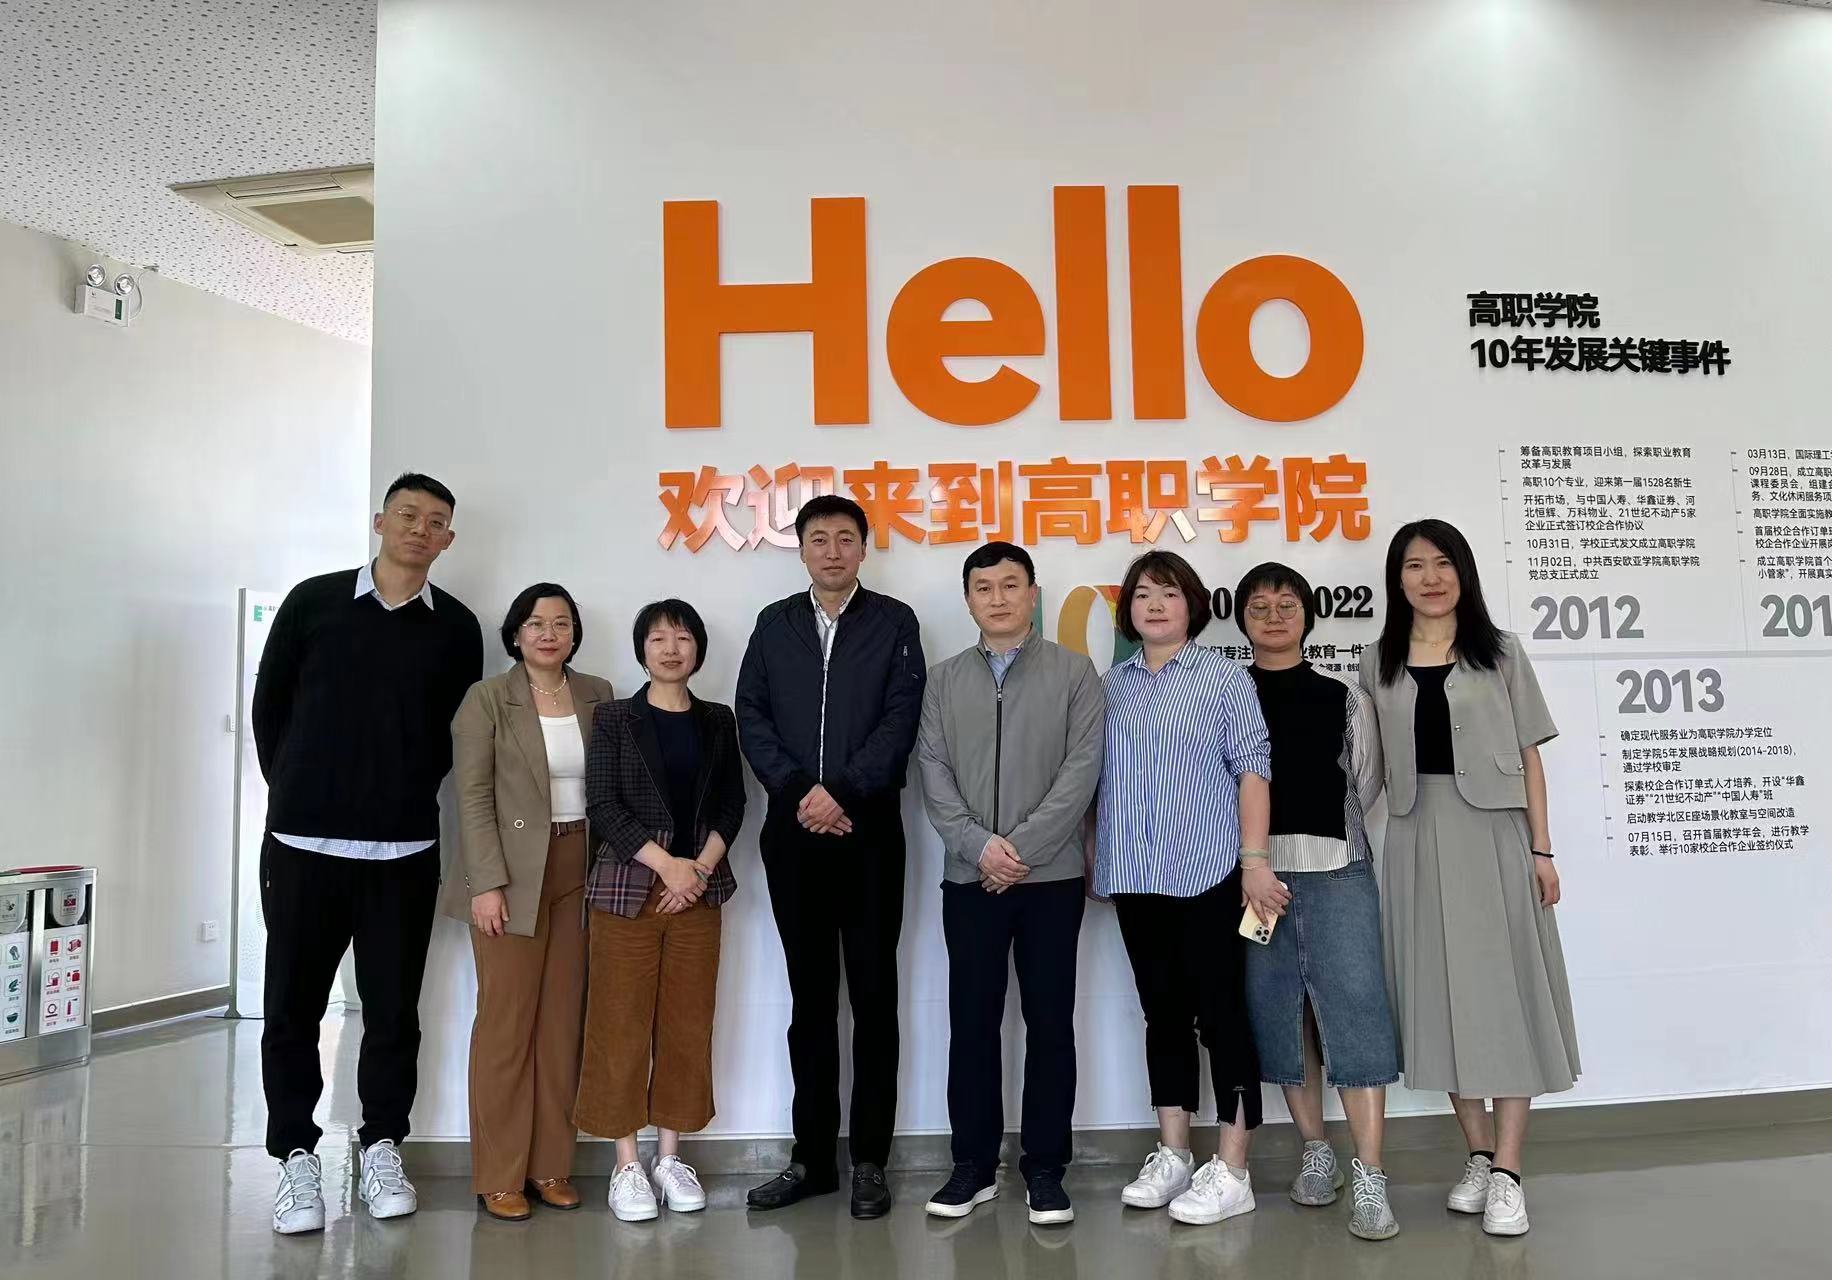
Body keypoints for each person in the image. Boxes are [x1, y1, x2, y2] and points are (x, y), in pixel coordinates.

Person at [252, 472, 483, 1235]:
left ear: (448, 540)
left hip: (403, 851)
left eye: (435, 522)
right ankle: (295, 1157)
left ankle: (382, 1145)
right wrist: (300, 788)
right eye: (408, 515)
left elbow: (451, 735)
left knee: (392, 1012)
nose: (420, 529)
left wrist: (398, 789)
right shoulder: (313, 603)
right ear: (381, 522)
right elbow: (270, 709)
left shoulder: (456, 627)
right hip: (303, 847)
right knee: (292, 1008)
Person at [1358, 519, 1580, 1238]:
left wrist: (1542, 850)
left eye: (1443, 563)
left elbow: (1531, 755)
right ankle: (1479, 1154)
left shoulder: (1502, 651)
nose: (1430, 578)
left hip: (1494, 836)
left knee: (1506, 993)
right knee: (1438, 997)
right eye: (1414, 565)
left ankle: (1510, 1172)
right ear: (1397, 579)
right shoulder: (1377, 661)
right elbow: (1366, 766)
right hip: (1414, 837)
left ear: (1464, 572)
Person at [736, 495, 926, 1219]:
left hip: (869, 832)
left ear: (863, 548)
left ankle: (870, 1160)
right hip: (793, 834)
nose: (833, 551)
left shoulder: (894, 621)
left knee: (874, 998)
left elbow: (901, 718)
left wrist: (841, 791)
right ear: (802, 549)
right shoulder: (773, 623)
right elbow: (751, 714)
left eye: (846, 538)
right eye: (819, 539)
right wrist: (799, 793)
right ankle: (812, 1159)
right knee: (810, 1002)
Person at [916, 542, 1105, 1227]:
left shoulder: (1074, 672)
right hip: (970, 881)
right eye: (984, 587)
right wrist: (980, 849)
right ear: (968, 599)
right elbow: (932, 772)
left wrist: (1017, 851)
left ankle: (1046, 1169)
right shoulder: (942, 680)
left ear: (1033, 594)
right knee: (972, 1023)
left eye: (1010, 585)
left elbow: (1082, 770)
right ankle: (973, 1165)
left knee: (1051, 1024)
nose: (997, 598)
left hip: (1050, 879)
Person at [1094, 550, 1272, 1227]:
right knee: (1161, 1014)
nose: (1155, 604)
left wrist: (1254, 861)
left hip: (1210, 872)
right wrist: (1094, 855)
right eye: (1143, 594)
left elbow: (1253, 771)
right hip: (1134, 876)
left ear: (1193, 604)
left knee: (1222, 1015)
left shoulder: (1224, 678)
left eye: (1169, 593)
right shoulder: (1111, 687)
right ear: (1128, 611)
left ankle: (1233, 1167)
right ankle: (1173, 1152)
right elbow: (1093, 781)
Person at [1234, 562, 1400, 1242]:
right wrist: (1252, 863)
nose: (1274, 616)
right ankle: (1315, 1150)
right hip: (1254, 881)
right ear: (1241, 619)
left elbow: (1366, 782)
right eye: (1260, 606)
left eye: (1287, 605)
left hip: (1337, 873)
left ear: (1307, 615)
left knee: (1355, 1012)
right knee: (1278, 1015)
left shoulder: (1344, 696)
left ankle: (1370, 1174)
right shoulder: (1226, 693)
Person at [444, 583, 613, 1221]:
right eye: (536, 623)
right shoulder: (486, 699)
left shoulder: (598, 694)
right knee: (506, 1026)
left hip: (580, 866)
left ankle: (550, 1166)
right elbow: (471, 797)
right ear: (516, 633)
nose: (549, 633)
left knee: (563, 1024)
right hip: (510, 875)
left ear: (574, 634)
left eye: (561, 623)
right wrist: (485, 883)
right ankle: (499, 1175)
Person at [575, 600, 745, 1222]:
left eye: (682, 638)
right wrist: (667, 865)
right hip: (628, 890)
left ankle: (669, 1157)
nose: (671, 649)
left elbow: (732, 803)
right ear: (641, 650)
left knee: (687, 1024)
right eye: (658, 638)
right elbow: (603, 804)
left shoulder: (718, 719)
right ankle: (626, 1163)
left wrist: (696, 870)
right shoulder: (615, 718)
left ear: (698, 648)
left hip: (698, 891)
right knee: (618, 1025)